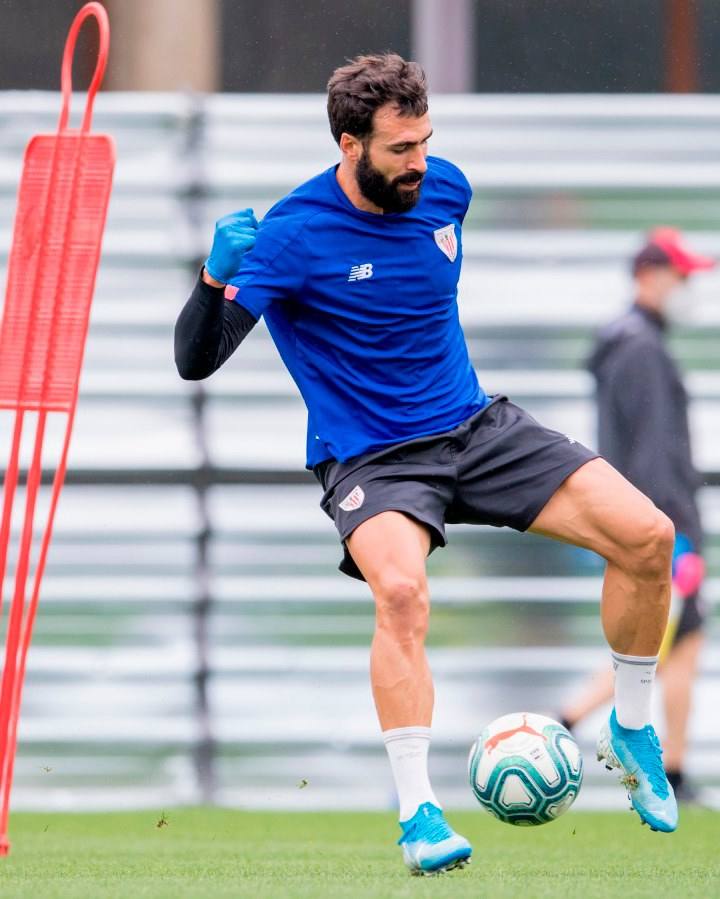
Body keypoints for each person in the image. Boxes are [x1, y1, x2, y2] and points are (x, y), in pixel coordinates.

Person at [174, 54, 679, 875]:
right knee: (402, 593)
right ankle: (418, 815)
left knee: (648, 536)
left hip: (474, 427)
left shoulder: (447, 191)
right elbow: (197, 362)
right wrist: (214, 277)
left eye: (425, 141)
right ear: (349, 144)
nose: (420, 163)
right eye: (401, 148)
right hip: (373, 455)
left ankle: (630, 727)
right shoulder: (292, 236)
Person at [560, 228, 714, 804]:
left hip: (653, 517)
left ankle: (672, 770)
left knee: (683, 640)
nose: (690, 288)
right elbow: (653, 452)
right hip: (661, 522)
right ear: (650, 277)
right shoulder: (641, 349)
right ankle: (564, 723)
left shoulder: (629, 341)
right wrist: (677, 540)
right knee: (659, 641)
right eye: (683, 277)